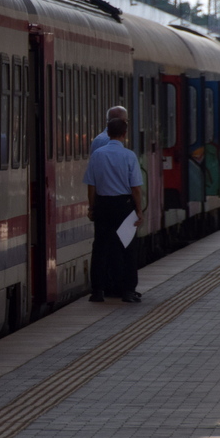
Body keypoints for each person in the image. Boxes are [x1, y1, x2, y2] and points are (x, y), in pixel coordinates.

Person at [83, 117, 143, 303]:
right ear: (125, 134)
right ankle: (128, 291)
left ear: (108, 133)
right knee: (127, 248)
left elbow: (91, 185)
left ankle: (98, 291)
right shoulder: (129, 156)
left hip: (103, 205)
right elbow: (135, 188)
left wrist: (92, 207)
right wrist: (139, 210)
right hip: (124, 206)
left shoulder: (97, 155)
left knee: (100, 248)